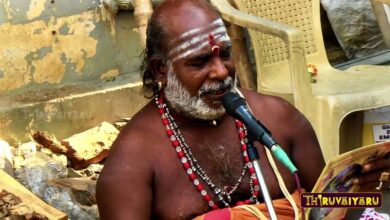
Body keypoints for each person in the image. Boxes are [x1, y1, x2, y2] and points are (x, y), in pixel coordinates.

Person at [96, 0, 390, 219]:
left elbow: (319, 209)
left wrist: (352, 195)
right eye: (199, 62)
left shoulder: (280, 118)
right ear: (162, 69)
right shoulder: (131, 161)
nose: (221, 72)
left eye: (225, 55)